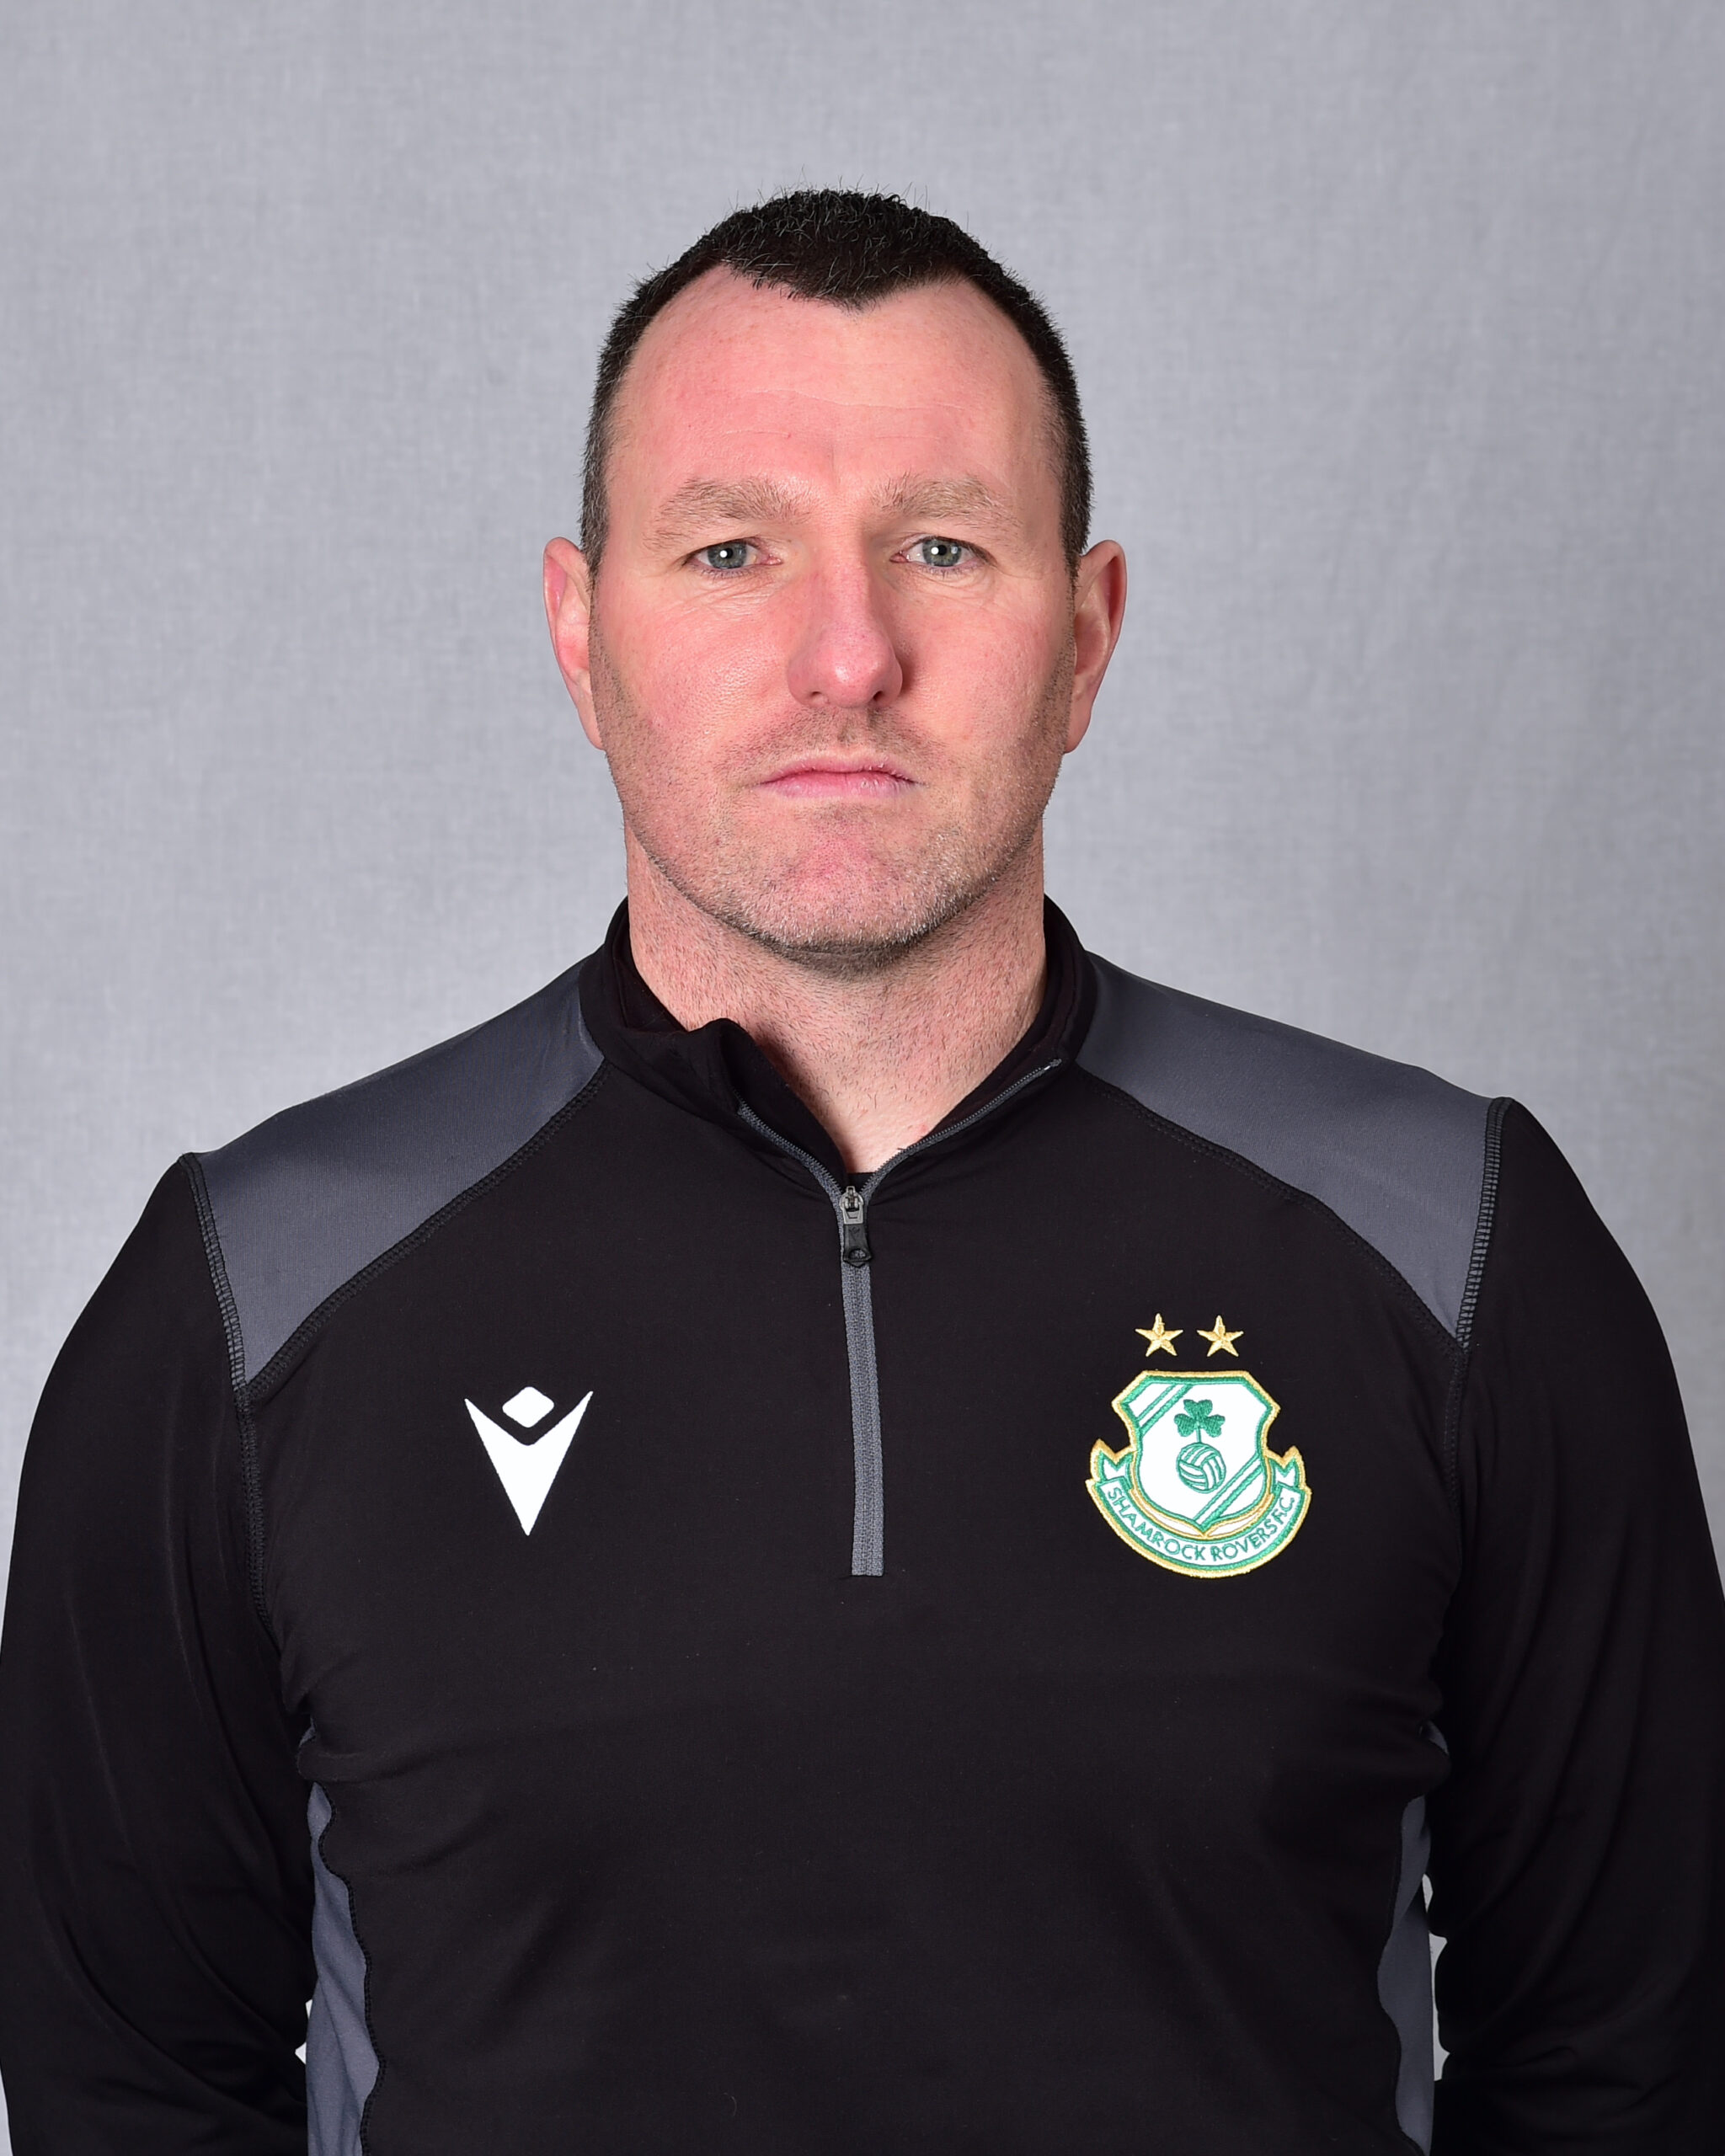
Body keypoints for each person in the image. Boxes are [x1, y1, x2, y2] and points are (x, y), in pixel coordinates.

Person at [1, 188, 1721, 2155]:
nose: (846, 655)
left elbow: (1628, 2066)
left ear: (1082, 638)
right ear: (581, 631)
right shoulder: (251, 1296)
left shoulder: (1458, 1247)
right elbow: (125, 2087)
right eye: (730, 548)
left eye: (941, 545)